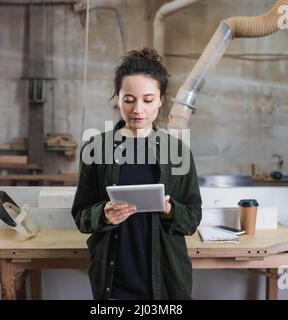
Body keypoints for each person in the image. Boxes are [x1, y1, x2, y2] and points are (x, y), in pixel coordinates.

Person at [71, 47, 202, 300]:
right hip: (113, 282)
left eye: (148, 99)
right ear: (117, 99)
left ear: (161, 99)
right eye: (128, 99)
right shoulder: (96, 149)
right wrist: (104, 215)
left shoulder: (178, 151)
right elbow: (81, 215)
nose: (137, 109)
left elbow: (193, 217)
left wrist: (170, 209)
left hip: (166, 280)